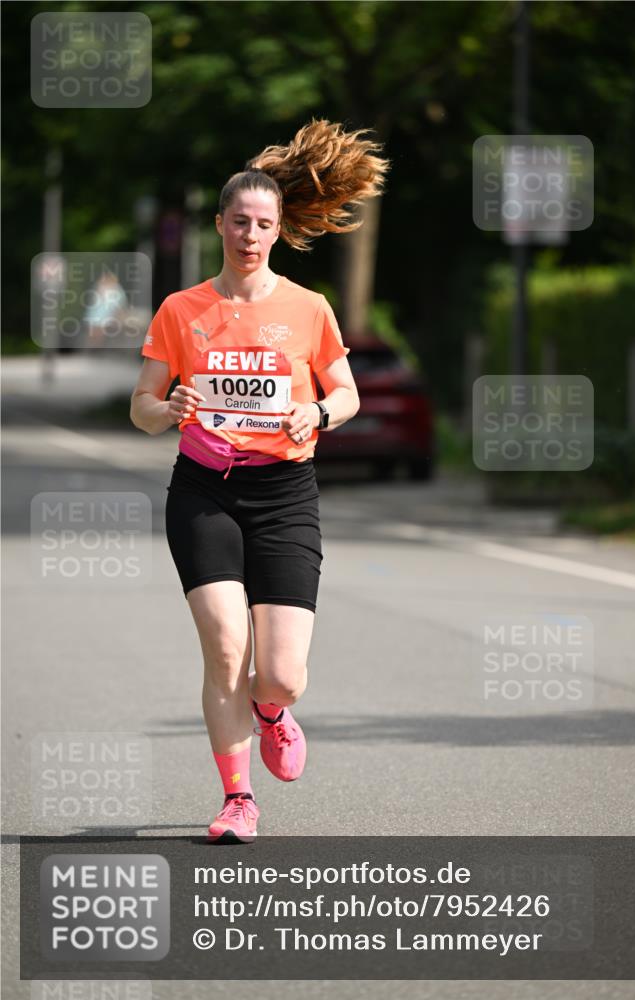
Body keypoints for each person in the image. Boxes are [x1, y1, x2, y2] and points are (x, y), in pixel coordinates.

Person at [130, 119, 388, 843]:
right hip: (203, 490)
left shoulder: (307, 308)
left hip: (283, 494)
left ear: (279, 231)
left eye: (263, 224)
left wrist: (317, 412)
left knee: (280, 675)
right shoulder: (181, 310)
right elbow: (142, 406)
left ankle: (271, 711)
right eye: (239, 222)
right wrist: (168, 408)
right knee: (224, 649)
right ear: (219, 224)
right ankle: (237, 799)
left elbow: (347, 393)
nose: (250, 235)